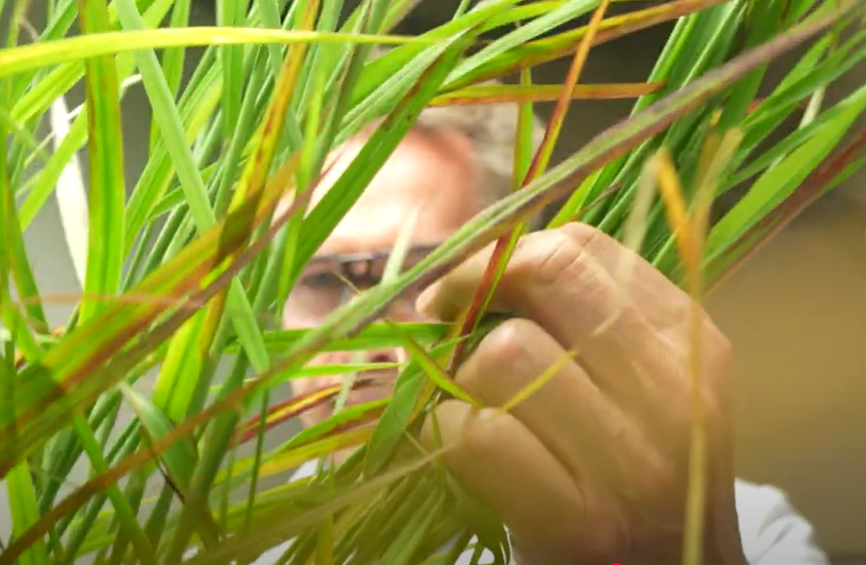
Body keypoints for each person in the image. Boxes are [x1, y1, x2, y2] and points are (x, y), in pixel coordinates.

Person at [270, 100, 831, 565]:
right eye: (321, 280)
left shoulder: (732, 530)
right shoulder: (224, 547)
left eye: (419, 273)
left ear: (510, 284)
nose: (363, 331)